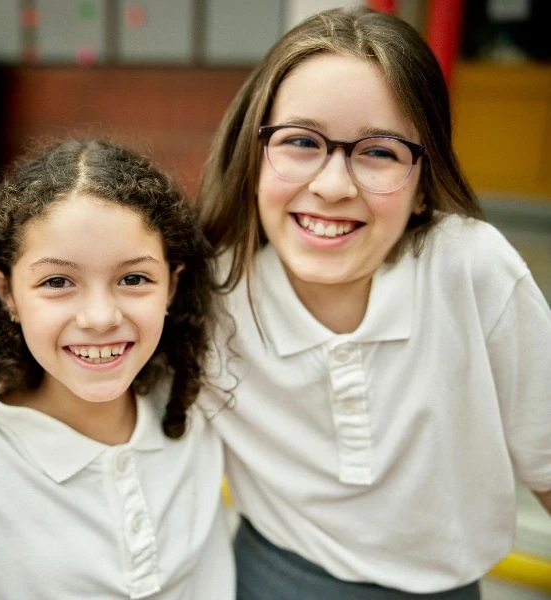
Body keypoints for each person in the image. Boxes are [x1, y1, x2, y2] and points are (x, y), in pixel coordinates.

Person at [195, 7, 551, 600]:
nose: (333, 186)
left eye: (379, 152)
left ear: (422, 184)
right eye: (301, 142)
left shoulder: (470, 270)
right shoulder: (211, 292)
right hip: (270, 581)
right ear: (254, 156)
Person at [0, 139, 235, 599]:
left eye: (134, 279)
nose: (100, 318)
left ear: (172, 286)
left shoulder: (198, 401)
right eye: (58, 282)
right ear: (6, 293)